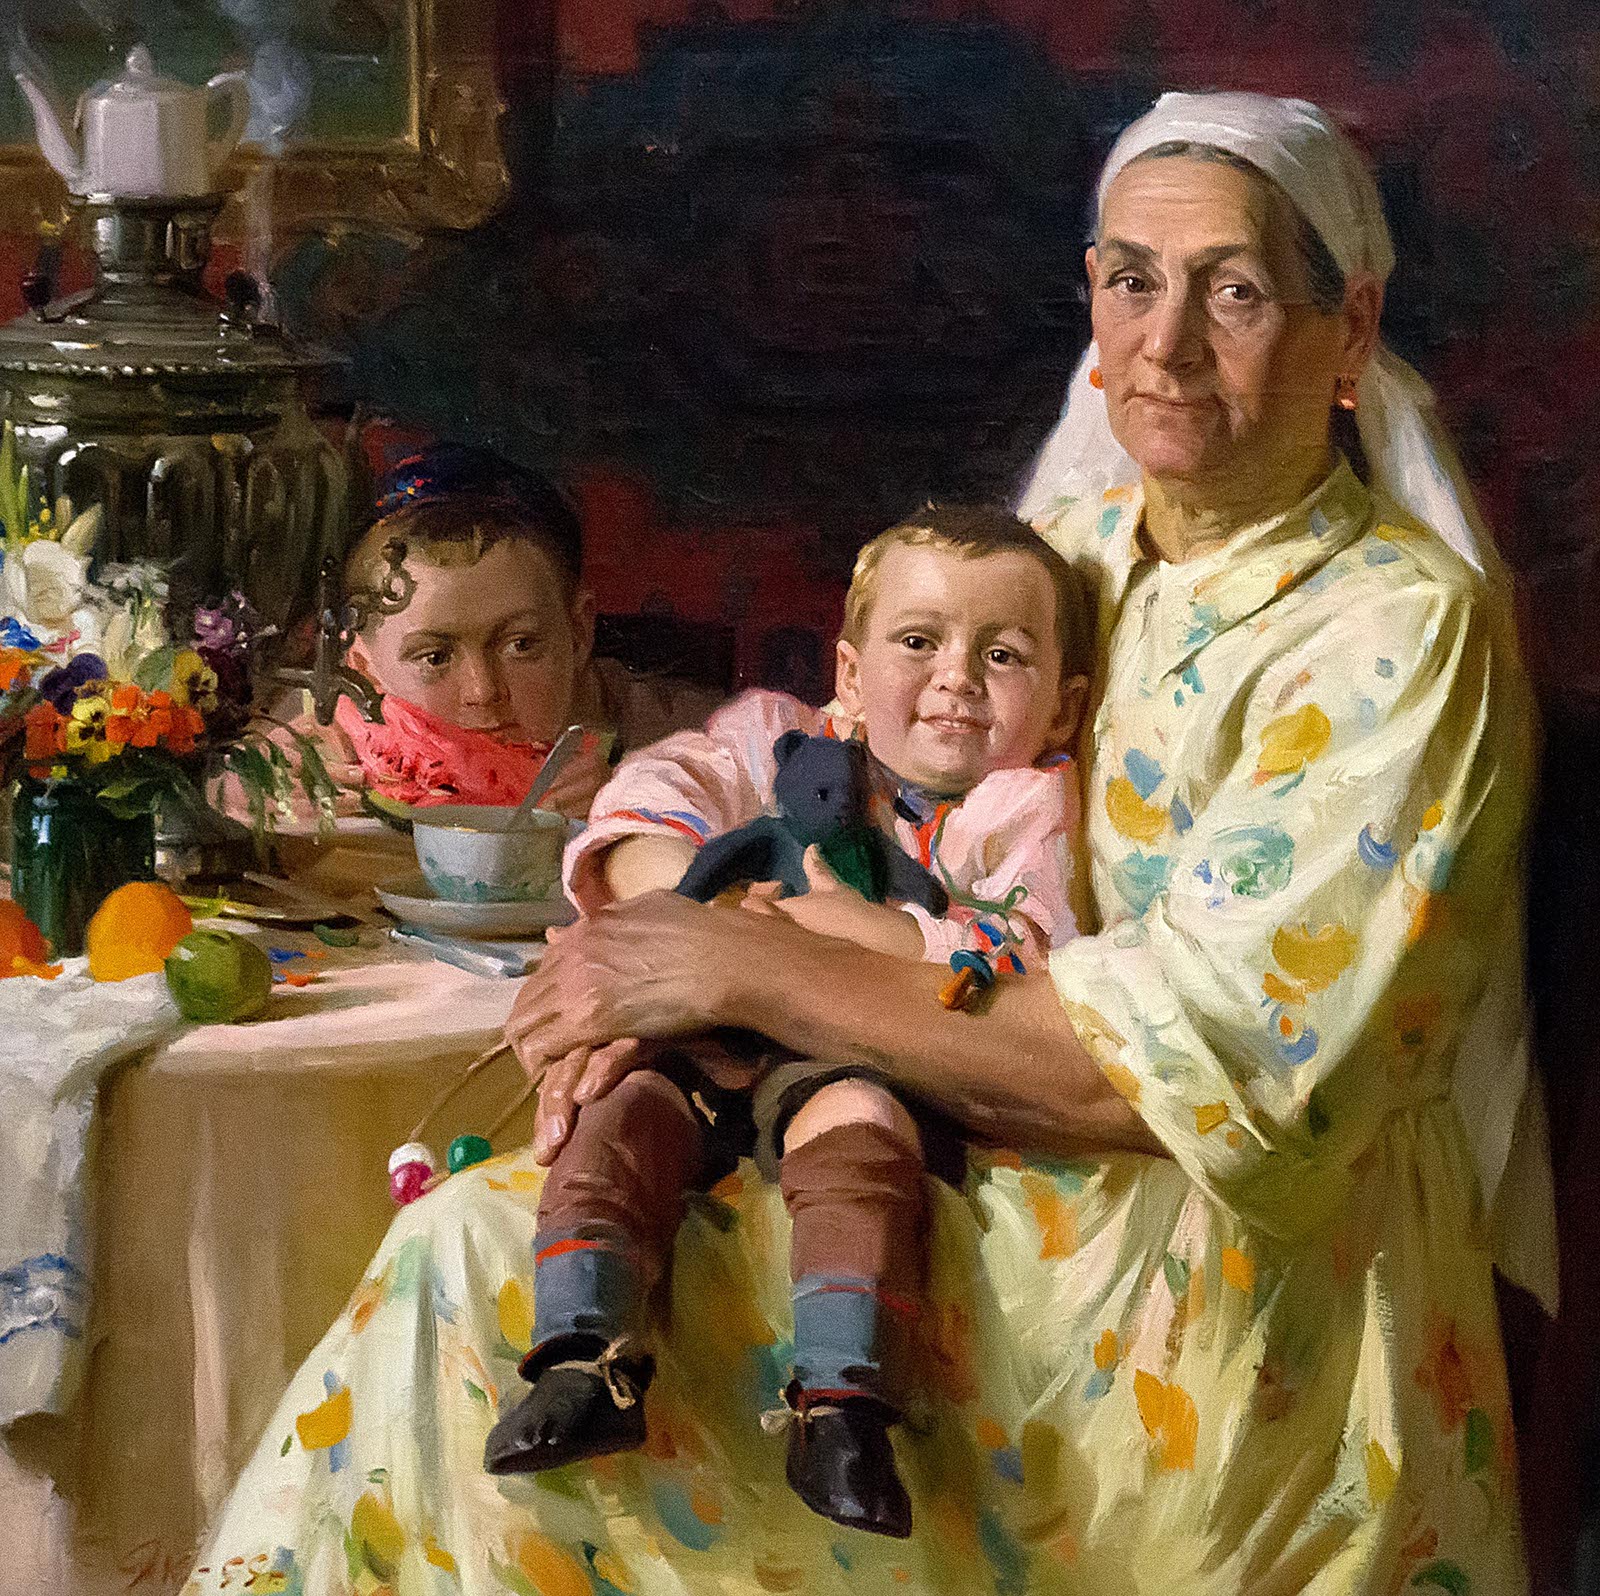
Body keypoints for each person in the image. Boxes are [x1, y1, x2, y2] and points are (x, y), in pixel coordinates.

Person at [187, 91, 1555, 1596]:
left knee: (472, 1278)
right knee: (478, 1241)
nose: (1163, 345)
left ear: (1348, 329)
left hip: (1216, 1273)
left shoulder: (1395, 633)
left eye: (1231, 293)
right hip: (956, 1141)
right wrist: (661, 922)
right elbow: (796, 768)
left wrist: (740, 965)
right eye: (1130, 281)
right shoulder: (1069, 556)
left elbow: (1204, 1072)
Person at [481, 506, 1092, 1543]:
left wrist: (868, 935)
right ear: (849, 673)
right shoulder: (781, 739)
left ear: (1064, 706)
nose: (955, 678)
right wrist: (701, 913)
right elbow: (649, 795)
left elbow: (1027, 954)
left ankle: (842, 1408)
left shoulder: (1026, 811)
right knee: (622, 1111)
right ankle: (583, 1359)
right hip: (708, 1035)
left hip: (865, 1054)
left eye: (1002, 656)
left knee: (860, 1132)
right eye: (919, 642)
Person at [250, 443, 722, 823]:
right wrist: (243, 790)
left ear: (578, 631)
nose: (483, 692)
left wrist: (644, 803)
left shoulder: (694, 734)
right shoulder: (310, 722)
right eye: (435, 657)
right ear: (361, 665)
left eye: (521, 645)